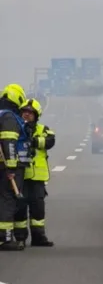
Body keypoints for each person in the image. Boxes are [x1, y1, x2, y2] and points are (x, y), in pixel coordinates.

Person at [14, 99, 54, 247]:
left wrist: (34, 141)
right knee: (20, 208)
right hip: (20, 176)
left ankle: (39, 238)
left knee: (38, 209)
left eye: (30, 113)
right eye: (24, 111)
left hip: (37, 178)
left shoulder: (43, 129)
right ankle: (20, 238)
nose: (27, 114)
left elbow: (50, 140)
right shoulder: (15, 128)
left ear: (36, 115)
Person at [0, 84, 28, 251]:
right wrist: (10, 168)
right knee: (8, 200)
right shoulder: (9, 117)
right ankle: (5, 238)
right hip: (6, 168)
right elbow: (9, 142)